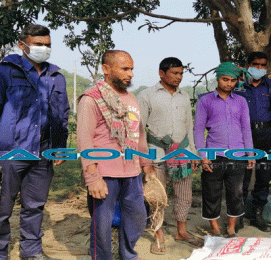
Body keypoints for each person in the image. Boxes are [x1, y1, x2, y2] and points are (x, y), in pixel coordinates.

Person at [77, 50, 155, 260]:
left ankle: (128, 255)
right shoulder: (91, 99)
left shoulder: (130, 98)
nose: (130, 74)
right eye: (124, 69)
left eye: (131, 69)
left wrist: (146, 164)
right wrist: (93, 177)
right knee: (101, 224)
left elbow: (139, 135)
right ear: (106, 69)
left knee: (136, 217)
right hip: (104, 174)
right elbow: (84, 140)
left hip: (131, 172)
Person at [0, 24, 69, 260]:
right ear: (22, 45)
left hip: (43, 151)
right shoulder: (6, 72)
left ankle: (31, 251)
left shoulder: (56, 76)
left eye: (47, 45)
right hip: (11, 151)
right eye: (38, 44)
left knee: (35, 204)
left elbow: (62, 115)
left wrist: (59, 148)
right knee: (3, 206)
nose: (44, 49)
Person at [137, 57, 202, 255]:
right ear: (161, 73)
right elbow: (139, 128)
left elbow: (189, 127)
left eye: (181, 73)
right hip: (155, 151)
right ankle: (158, 234)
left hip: (182, 152)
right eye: (175, 73)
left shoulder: (184, 96)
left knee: (184, 193)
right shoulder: (146, 95)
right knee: (157, 195)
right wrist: (144, 159)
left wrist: (194, 153)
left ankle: (182, 231)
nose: (179, 77)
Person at [194, 62, 256, 237]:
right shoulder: (205, 101)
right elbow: (198, 129)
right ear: (218, 78)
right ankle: (214, 228)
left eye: (232, 80)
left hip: (238, 155)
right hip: (214, 155)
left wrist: (250, 154)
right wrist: (203, 156)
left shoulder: (241, 102)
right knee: (211, 193)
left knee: (235, 193)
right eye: (225, 79)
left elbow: (246, 128)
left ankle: (231, 227)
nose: (229, 83)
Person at [233, 52, 271, 232]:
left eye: (263, 65)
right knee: (242, 176)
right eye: (255, 64)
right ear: (248, 65)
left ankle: (258, 216)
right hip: (243, 136)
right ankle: (238, 217)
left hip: (267, 135)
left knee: (264, 176)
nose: (259, 68)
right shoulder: (238, 87)